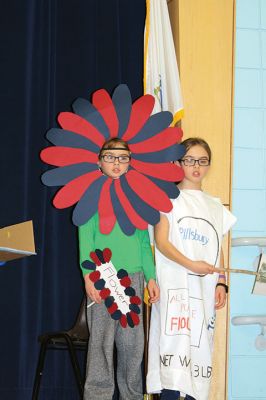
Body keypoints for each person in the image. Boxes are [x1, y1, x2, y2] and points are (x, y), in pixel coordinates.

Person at [146, 137, 236, 400]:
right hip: (175, 286)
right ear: (178, 163)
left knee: (199, 355)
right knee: (173, 356)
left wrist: (221, 281)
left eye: (203, 161)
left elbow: (216, 245)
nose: (196, 166)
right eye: (190, 160)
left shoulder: (215, 206)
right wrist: (191, 265)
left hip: (204, 290)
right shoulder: (167, 199)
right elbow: (162, 243)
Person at [79, 137, 160, 400]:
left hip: (133, 278)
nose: (116, 162)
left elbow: (143, 241)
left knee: (133, 346)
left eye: (123, 157)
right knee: (100, 344)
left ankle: (132, 396)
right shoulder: (91, 194)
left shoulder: (136, 197)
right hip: (103, 275)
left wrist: (151, 277)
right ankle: (98, 396)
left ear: (129, 162)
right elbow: (85, 237)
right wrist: (87, 277)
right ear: (99, 161)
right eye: (110, 156)